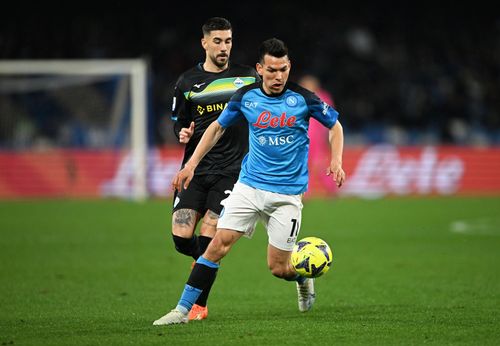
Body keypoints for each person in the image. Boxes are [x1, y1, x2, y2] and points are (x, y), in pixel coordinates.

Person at [153, 37, 345, 326]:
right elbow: (217, 127)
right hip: (249, 187)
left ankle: (302, 279)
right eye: (271, 70)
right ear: (260, 69)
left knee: (279, 268)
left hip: (287, 196)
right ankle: (181, 311)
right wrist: (190, 165)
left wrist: (336, 160)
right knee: (216, 246)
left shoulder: (303, 99)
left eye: (283, 70)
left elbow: (335, 126)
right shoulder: (246, 97)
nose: (278, 76)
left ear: (289, 67)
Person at [166, 17, 260, 321]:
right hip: (195, 169)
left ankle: (198, 305)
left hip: (233, 171)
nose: (224, 47)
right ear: (204, 42)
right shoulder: (186, 82)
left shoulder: (247, 79)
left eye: (228, 41)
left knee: (208, 233)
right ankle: (206, 265)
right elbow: (180, 125)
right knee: (181, 238)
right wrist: (181, 134)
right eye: (217, 41)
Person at [298, 74, 337, 197]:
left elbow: (330, 118)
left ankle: (330, 189)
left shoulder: (322, 97)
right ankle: (307, 193)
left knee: (318, 164)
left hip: (316, 137)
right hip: (302, 136)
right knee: (306, 164)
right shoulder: (300, 97)